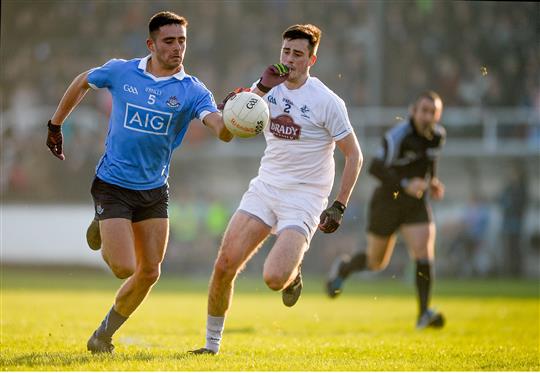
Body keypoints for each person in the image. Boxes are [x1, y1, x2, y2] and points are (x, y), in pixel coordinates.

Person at [45, 11, 234, 354]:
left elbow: (219, 128)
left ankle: (102, 336)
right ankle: (103, 221)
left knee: (149, 272)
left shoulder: (192, 90)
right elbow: (82, 82)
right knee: (123, 268)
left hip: (153, 190)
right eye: (169, 41)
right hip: (113, 184)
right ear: (151, 44)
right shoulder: (122, 71)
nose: (178, 48)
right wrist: (56, 125)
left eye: (182, 41)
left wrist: (237, 119)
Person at [189, 24, 363, 355]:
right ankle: (210, 347)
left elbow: (354, 154)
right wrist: (258, 90)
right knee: (225, 263)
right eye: (286, 52)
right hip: (266, 188)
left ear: (312, 59)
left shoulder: (327, 101)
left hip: (305, 199)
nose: (290, 59)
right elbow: (231, 123)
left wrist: (339, 205)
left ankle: (292, 273)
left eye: (298, 54)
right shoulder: (266, 87)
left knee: (273, 277)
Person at [326, 91, 447, 330]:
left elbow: (429, 162)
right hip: (387, 203)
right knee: (375, 262)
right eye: (423, 110)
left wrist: (432, 182)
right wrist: (404, 184)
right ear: (413, 111)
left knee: (424, 251)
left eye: (432, 112)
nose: (427, 116)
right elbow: (374, 168)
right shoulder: (397, 136)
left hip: (415, 204)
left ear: (438, 115)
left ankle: (423, 313)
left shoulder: (438, 136)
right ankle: (344, 268)